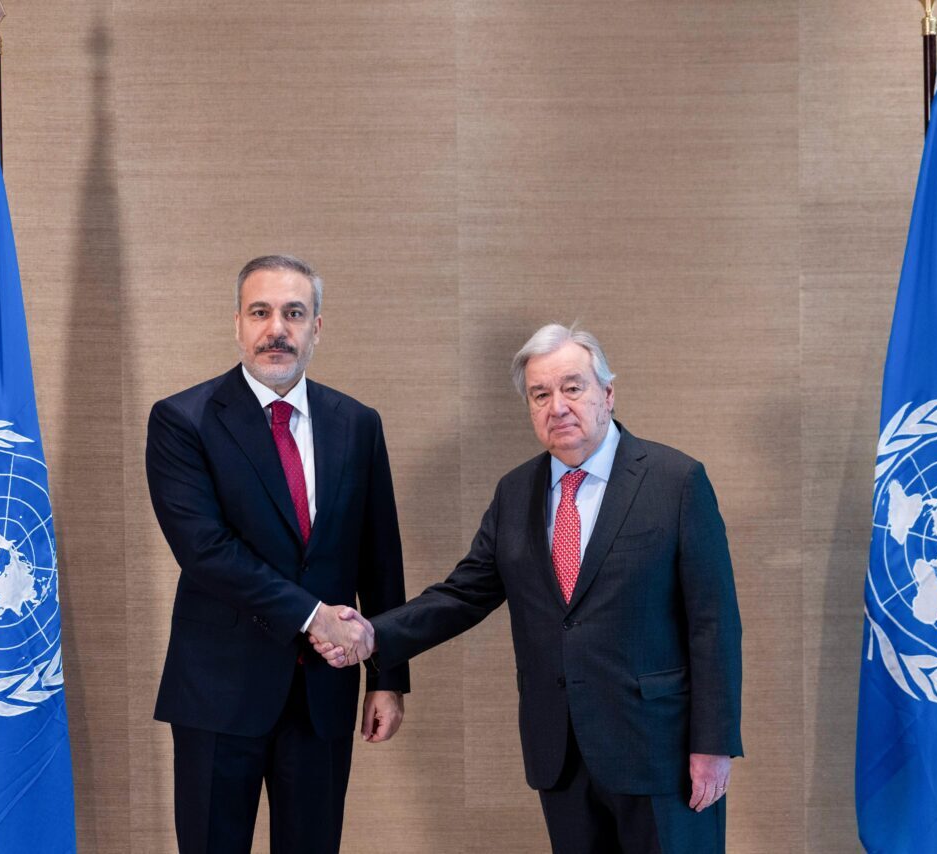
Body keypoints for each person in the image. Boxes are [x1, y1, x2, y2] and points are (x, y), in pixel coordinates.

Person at [313, 323, 742, 853]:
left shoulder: (676, 481)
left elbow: (714, 623)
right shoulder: (516, 492)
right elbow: (462, 595)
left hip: (662, 753)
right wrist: (372, 634)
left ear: (608, 393)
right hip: (560, 752)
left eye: (572, 387)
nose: (557, 406)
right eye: (540, 395)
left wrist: (713, 745)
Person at [146, 254, 408, 854]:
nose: (276, 330)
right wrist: (314, 616)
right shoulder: (182, 420)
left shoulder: (358, 424)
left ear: (317, 327)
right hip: (218, 692)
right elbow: (206, 551)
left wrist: (387, 677)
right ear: (237, 324)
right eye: (260, 312)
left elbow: (379, 556)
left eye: (294, 313)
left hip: (323, 693)